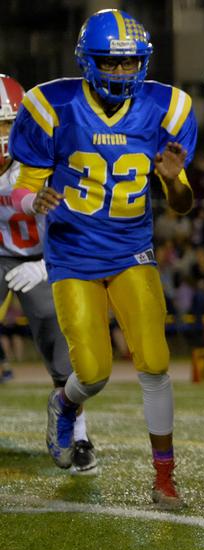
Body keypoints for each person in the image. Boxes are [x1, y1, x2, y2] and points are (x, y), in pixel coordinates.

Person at [9, 9, 196, 508]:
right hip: (72, 252)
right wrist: (35, 200)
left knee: (155, 361)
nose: (121, 74)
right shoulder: (53, 104)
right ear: (87, 63)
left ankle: (164, 477)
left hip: (132, 250)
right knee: (91, 372)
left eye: (130, 63)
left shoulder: (168, 108)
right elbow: (19, 187)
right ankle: (65, 404)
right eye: (110, 64)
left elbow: (182, 203)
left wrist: (175, 180)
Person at [0, 74, 97, 472]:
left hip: (47, 255)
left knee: (61, 341)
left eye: (6, 123)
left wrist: (46, 266)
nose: (3, 134)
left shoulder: (50, 158)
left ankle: (76, 432)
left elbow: (81, 226)